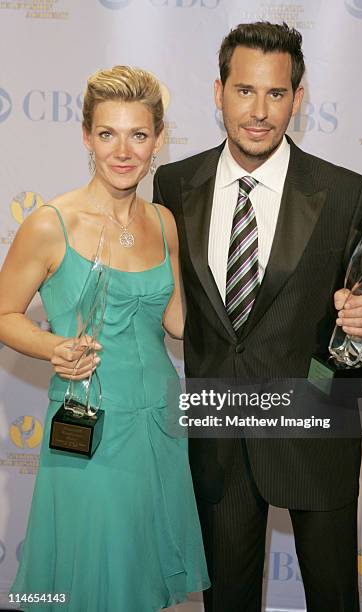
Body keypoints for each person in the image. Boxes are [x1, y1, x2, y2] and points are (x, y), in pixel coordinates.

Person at [153, 22, 362, 612]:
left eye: (276, 93)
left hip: (315, 429)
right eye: (244, 91)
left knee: (334, 598)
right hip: (217, 439)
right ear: (218, 93)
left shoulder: (343, 192)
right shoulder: (173, 183)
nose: (259, 111)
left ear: (297, 97)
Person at [0, 65, 209, 611]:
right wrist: (53, 347)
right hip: (88, 422)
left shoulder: (164, 221)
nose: (123, 150)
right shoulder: (52, 222)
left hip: (160, 423)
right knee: (95, 574)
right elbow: (2, 313)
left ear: (157, 140)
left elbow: (180, 323)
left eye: (139, 135)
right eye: (108, 133)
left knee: (141, 577)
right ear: (87, 135)